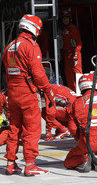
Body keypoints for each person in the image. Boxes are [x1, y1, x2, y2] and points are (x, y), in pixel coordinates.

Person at [2, 14, 52, 175]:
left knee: (14, 128)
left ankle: (11, 163)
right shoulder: (30, 45)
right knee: (32, 129)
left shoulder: (9, 46)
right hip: (26, 92)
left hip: (12, 92)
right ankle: (30, 164)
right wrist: (47, 88)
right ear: (34, 28)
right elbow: (38, 73)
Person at [61, 10, 83, 91]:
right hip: (67, 55)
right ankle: (72, 92)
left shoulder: (73, 28)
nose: (65, 20)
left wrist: (76, 54)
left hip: (74, 54)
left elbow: (79, 43)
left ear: (70, 19)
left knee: (77, 73)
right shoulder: (63, 30)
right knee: (68, 75)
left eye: (67, 18)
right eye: (64, 19)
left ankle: (80, 91)